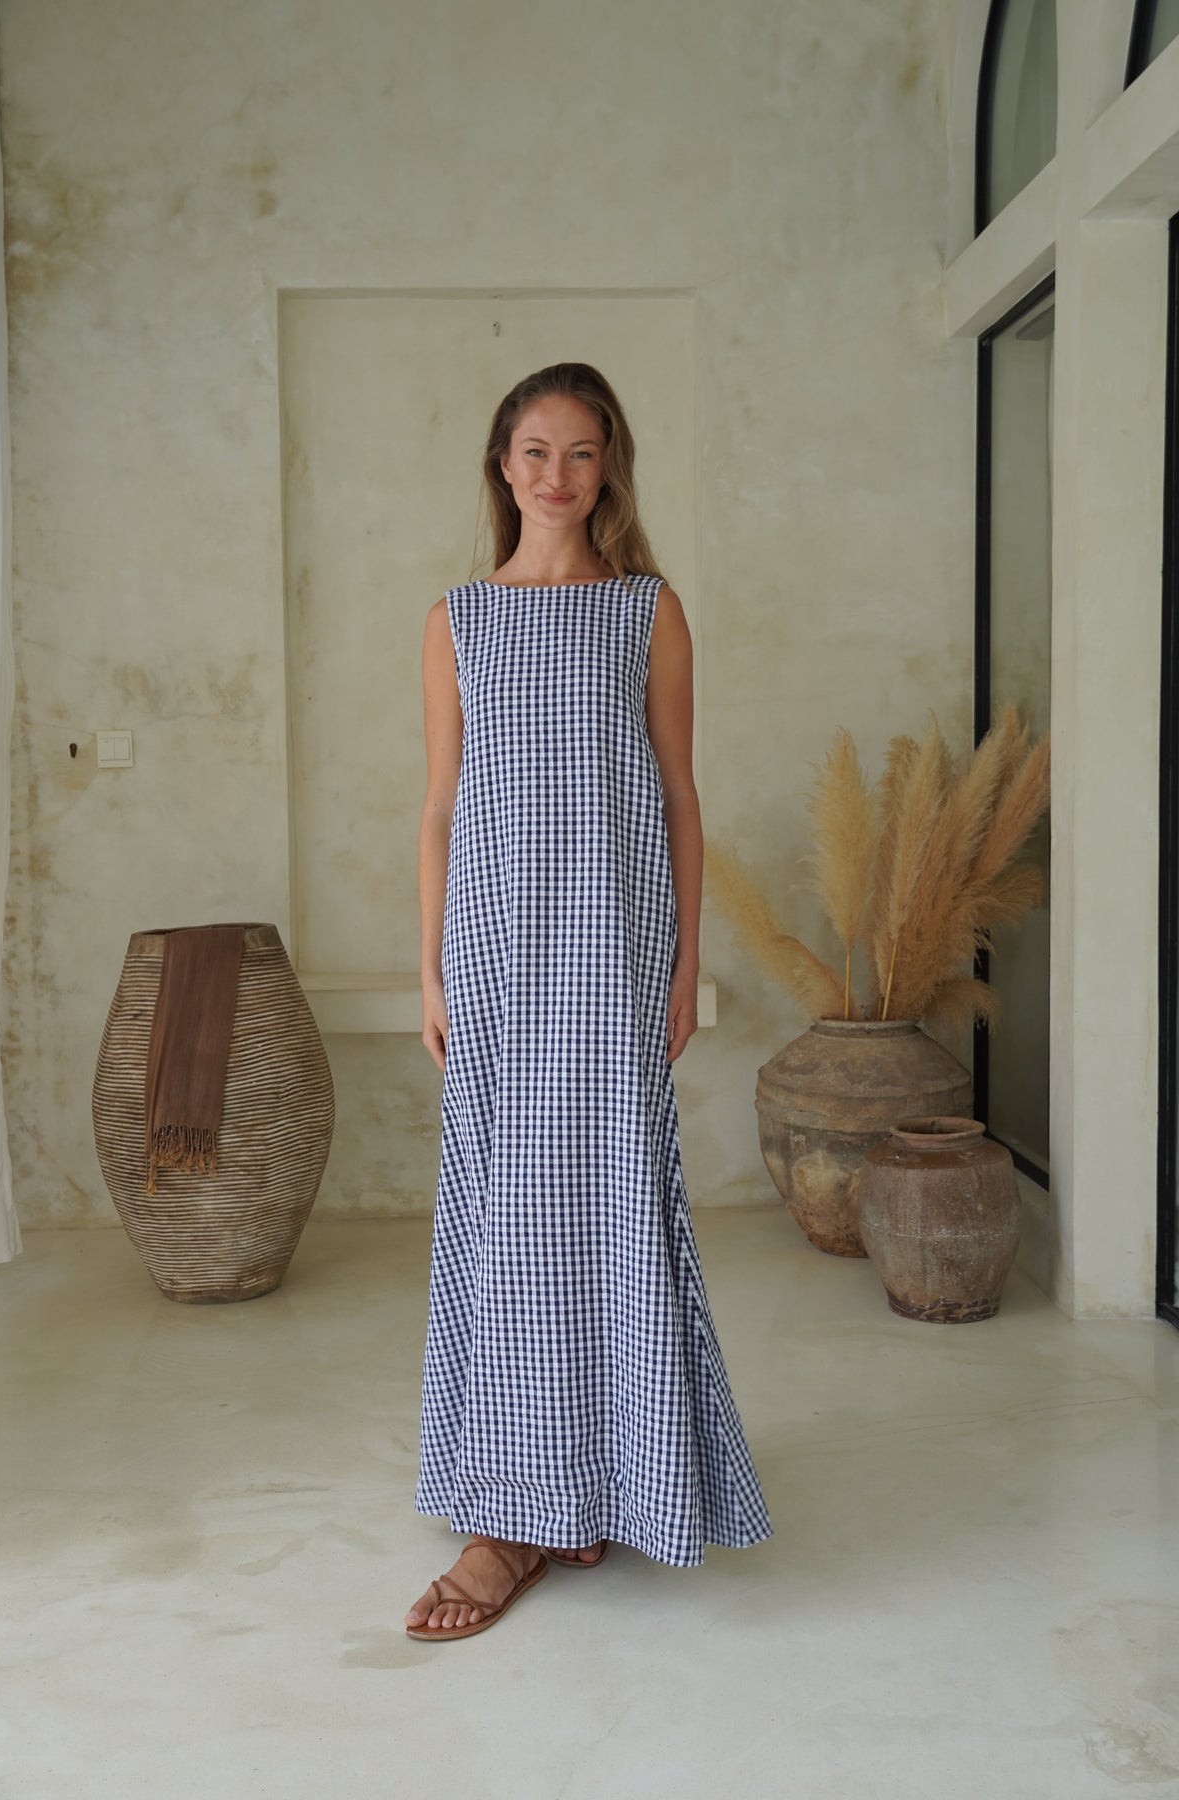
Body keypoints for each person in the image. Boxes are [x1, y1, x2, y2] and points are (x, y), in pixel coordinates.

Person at [405, 362, 772, 1641]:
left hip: (613, 961)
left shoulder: (646, 611)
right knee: (510, 1219)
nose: (555, 475)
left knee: (609, 1213)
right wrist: (432, 971)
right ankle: (509, 1516)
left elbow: (678, 796)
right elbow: (441, 808)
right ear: (501, 467)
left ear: (608, 467)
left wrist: (680, 967)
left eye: (580, 452)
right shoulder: (457, 619)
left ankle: (604, 1480)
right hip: (496, 960)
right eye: (534, 452)